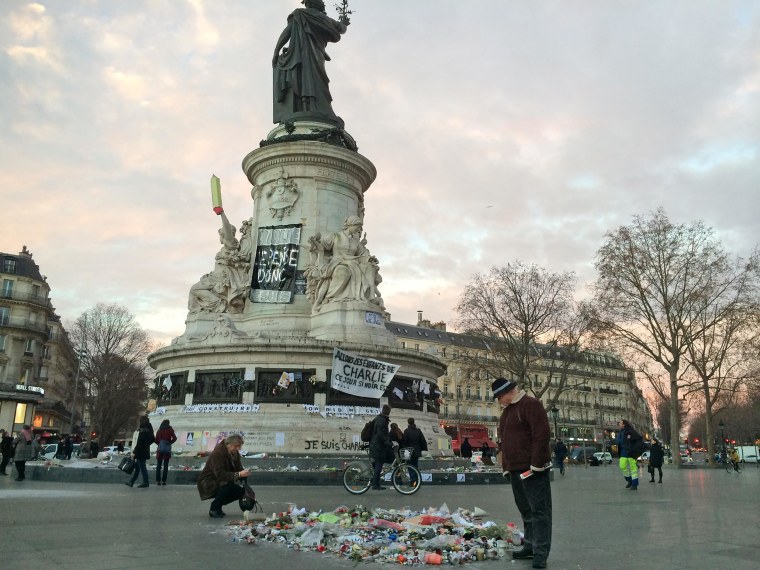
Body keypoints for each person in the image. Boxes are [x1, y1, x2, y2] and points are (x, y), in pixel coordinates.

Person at [493, 378, 552, 569]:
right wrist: (506, 467)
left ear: (508, 392)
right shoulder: (507, 412)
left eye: (499, 396)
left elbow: (541, 434)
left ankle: (540, 552)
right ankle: (530, 546)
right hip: (515, 469)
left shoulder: (531, 405)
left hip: (532, 469)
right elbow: (504, 442)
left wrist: (536, 464)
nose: (498, 400)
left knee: (539, 511)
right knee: (525, 509)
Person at [272, 0, 349, 127]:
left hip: (300, 56)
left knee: (304, 77)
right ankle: (311, 108)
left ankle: (306, 107)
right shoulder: (325, 19)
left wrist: (276, 50)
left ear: (308, 4)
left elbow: (288, 31)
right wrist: (344, 22)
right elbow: (341, 28)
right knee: (317, 80)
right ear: (321, 6)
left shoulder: (299, 14)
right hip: (317, 56)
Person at [197, 434, 252, 518]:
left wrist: (244, 473)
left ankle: (218, 505)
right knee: (227, 486)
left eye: (239, 446)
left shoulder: (234, 453)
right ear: (228, 445)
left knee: (241, 491)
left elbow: (238, 468)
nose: (238, 448)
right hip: (208, 481)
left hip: (223, 480)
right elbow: (220, 474)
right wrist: (239, 474)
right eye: (236, 446)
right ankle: (214, 508)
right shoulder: (218, 453)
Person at [125, 416, 154, 488]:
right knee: (138, 467)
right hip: (145, 450)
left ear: (142, 421)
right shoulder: (149, 428)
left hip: (140, 452)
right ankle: (131, 481)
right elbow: (153, 439)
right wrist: (147, 444)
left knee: (142, 467)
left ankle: (146, 482)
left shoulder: (143, 429)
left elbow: (140, 442)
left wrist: (134, 452)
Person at [616, 419, 644, 491]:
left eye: (620, 423)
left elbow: (639, 439)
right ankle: (629, 480)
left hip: (631, 452)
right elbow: (619, 441)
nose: (619, 423)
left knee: (633, 468)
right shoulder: (620, 432)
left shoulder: (631, 431)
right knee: (622, 466)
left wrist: (635, 449)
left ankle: (634, 484)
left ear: (624, 424)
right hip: (624, 451)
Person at [369, 404, 392, 490]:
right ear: (387, 411)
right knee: (379, 464)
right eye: (389, 411)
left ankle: (377, 484)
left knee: (377, 466)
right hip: (378, 446)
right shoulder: (382, 420)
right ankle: (375, 484)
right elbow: (380, 434)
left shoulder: (379, 418)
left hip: (375, 445)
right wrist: (387, 442)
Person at [402, 417, 427, 484]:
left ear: (408, 422)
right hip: (417, 451)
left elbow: (405, 441)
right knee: (415, 466)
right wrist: (423, 449)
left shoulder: (406, 431)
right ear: (414, 422)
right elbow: (422, 440)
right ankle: (416, 480)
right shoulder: (418, 430)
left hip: (409, 451)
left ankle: (413, 481)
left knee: (410, 466)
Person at [155, 419, 178, 486]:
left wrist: (160, 444)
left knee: (158, 466)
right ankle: (164, 481)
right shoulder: (170, 430)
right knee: (165, 466)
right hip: (167, 450)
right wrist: (169, 443)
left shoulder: (159, 430)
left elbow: (156, 440)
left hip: (160, 450)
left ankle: (158, 481)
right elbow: (175, 438)